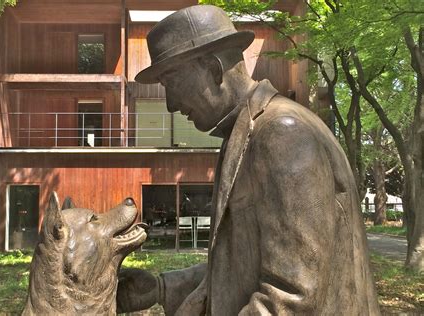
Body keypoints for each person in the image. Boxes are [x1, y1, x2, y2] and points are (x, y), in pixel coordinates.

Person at [117, 5, 380, 315]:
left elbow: (291, 299)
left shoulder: (282, 134)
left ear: (213, 69)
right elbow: (242, 268)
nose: (172, 105)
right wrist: (160, 288)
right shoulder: (248, 133)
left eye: (172, 84)